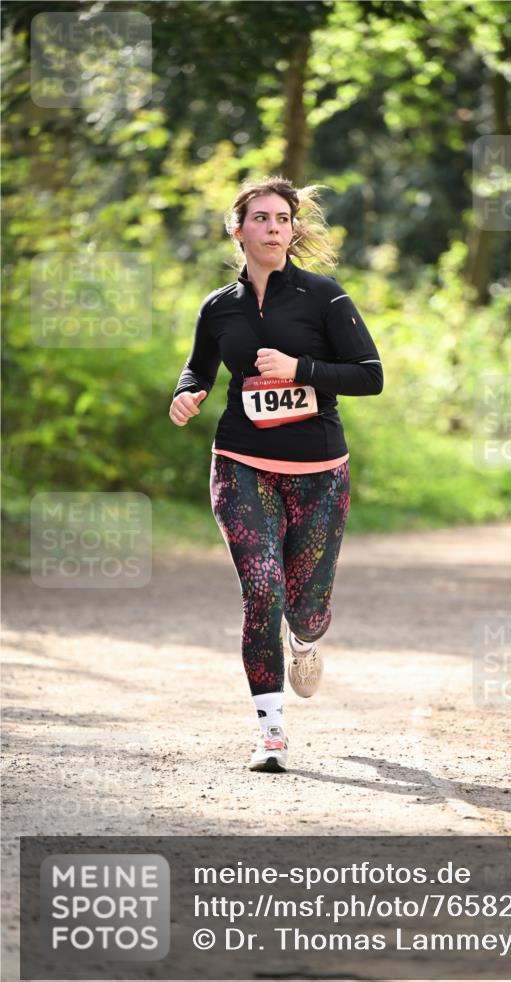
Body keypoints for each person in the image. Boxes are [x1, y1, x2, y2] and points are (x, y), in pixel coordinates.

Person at [169, 176, 383, 773]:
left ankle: (307, 638)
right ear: (238, 231)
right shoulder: (219, 307)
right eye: (260, 218)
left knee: (305, 604)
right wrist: (187, 396)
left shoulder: (324, 297)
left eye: (282, 219)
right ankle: (271, 732)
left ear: (294, 230)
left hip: (319, 469)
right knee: (262, 587)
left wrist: (300, 368)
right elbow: (198, 372)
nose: (273, 228)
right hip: (241, 463)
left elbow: (370, 375)